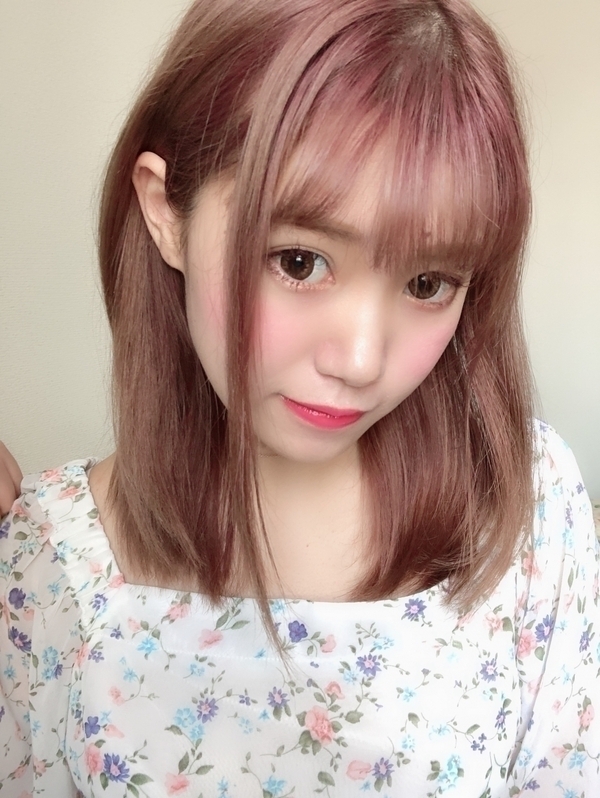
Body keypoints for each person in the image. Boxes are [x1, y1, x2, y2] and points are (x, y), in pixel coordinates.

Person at [1, 0, 599, 794]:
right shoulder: (43, 563)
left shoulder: (526, 504)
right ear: (164, 212)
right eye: (299, 262)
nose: (360, 361)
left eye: (429, 282)